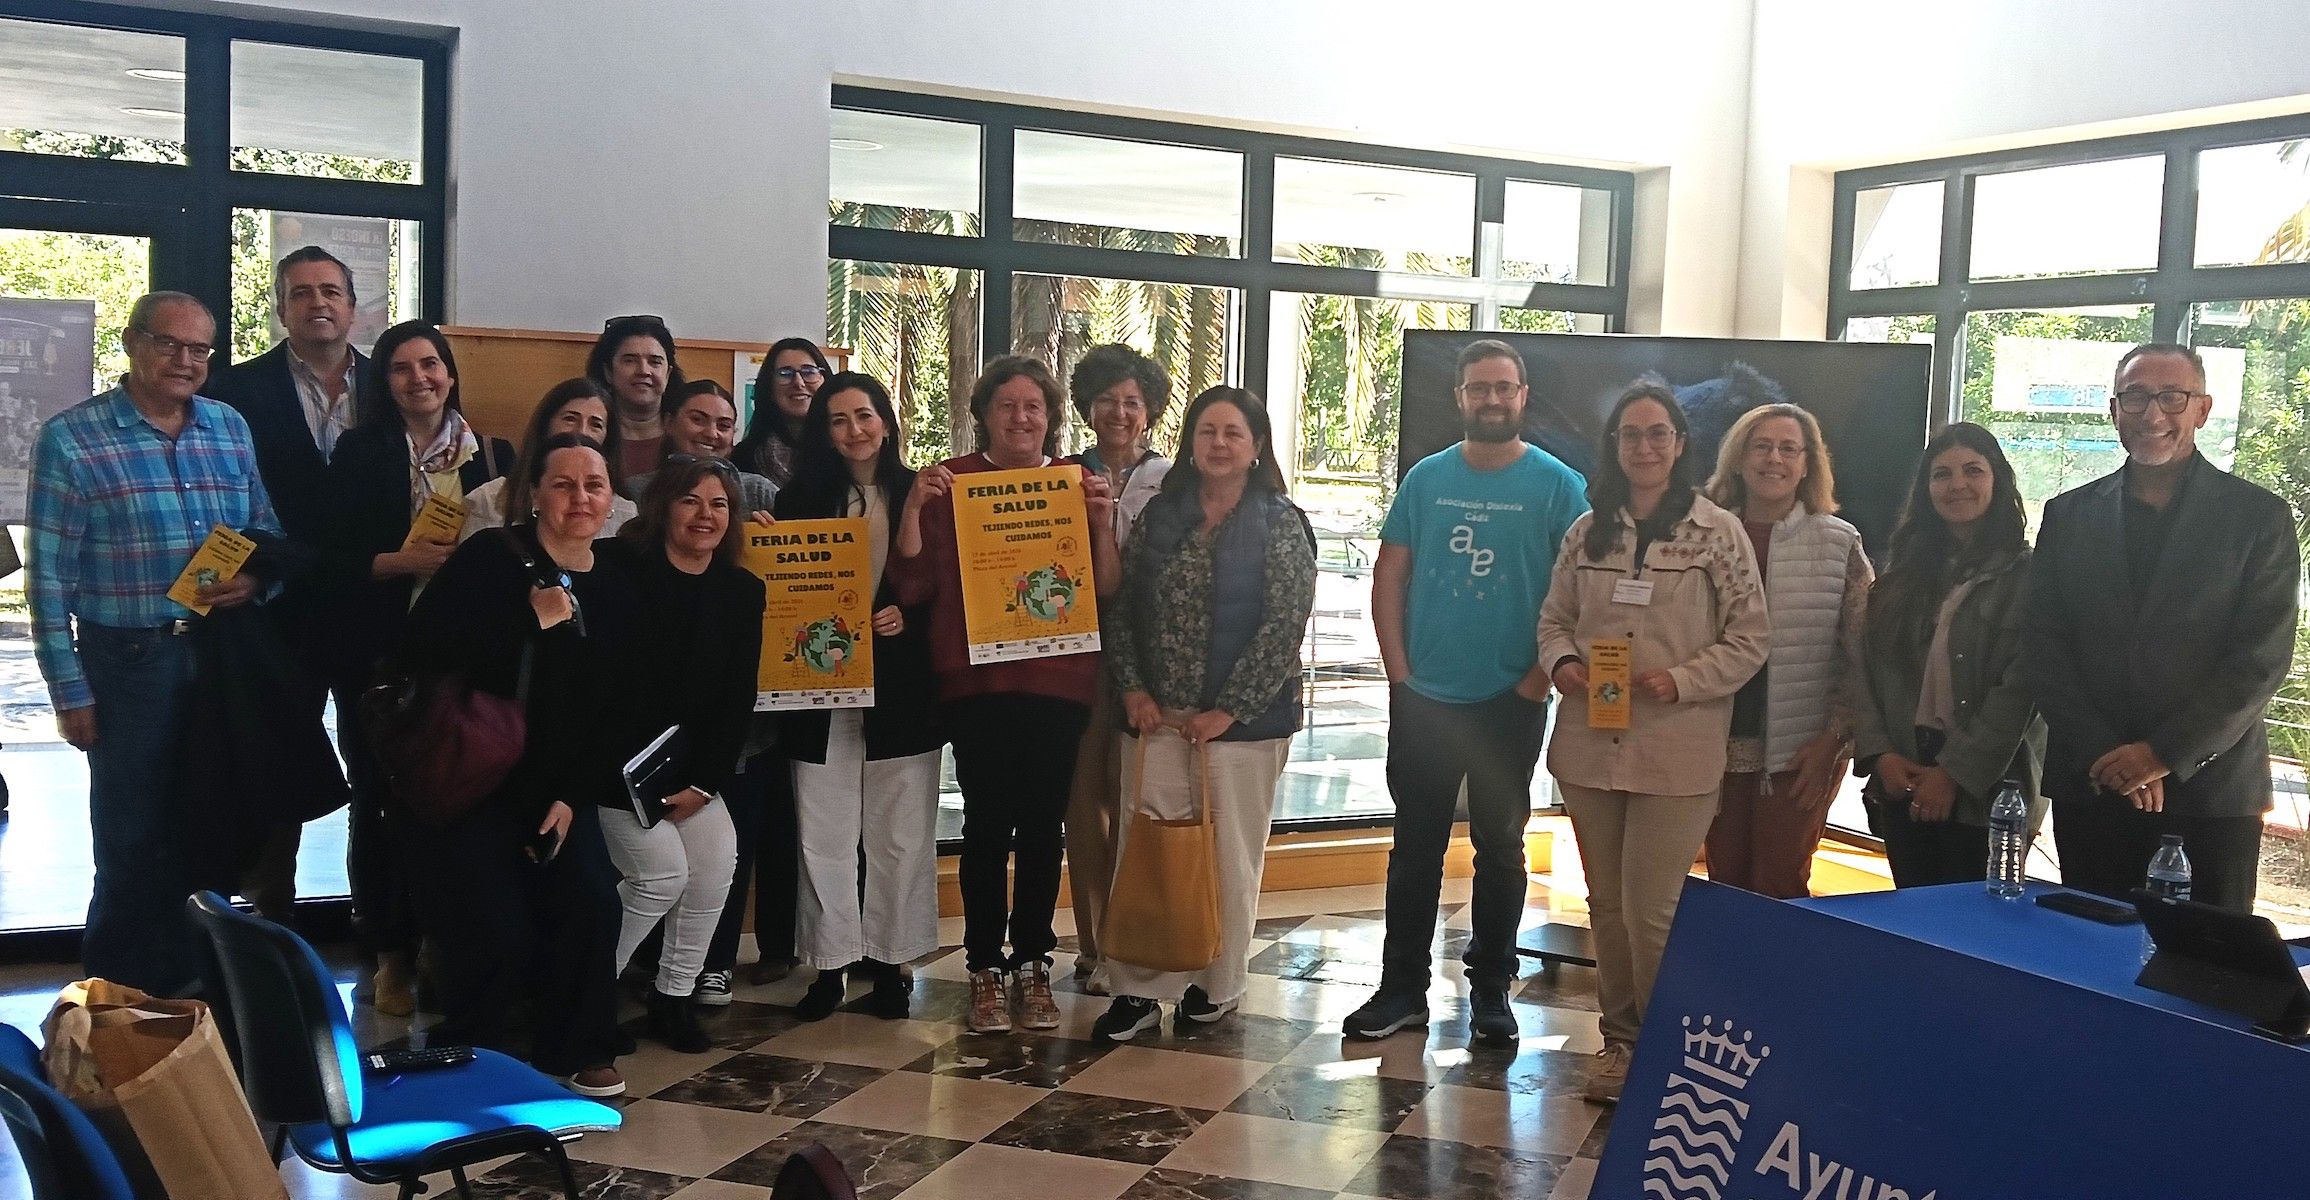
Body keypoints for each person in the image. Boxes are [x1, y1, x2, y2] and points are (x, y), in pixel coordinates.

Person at [28, 291, 280, 996]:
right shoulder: (72, 439)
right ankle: (116, 1009)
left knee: (212, 829)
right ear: (132, 343)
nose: (186, 361)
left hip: (221, 656)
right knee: (131, 842)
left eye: (200, 349)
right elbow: (47, 579)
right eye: (170, 344)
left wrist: (258, 582)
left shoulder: (228, 427)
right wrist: (69, 693)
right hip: (128, 664)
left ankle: (202, 998)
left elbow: (265, 529)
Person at [1342, 339, 1587, 1047]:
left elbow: (1579, 590)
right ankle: (1401, 990)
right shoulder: (1427, 479)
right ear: (1460, 398)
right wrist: (1398, 674)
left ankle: (1490, 991)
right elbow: (1390, 575)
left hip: (1510, 700)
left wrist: (1535, 682)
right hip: (1424, 697)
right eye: (1479, 388)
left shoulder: (1558, 485)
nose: (1492, 399)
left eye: (1504, 388)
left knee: (1500, 849)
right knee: (1414, 849)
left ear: (1523, 395)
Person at [1538, 379, 1768, 1104]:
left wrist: (1683, 680)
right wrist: (1563, 665)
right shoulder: (1586, 532)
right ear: (1614, 446)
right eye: (1630, 434)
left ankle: (1671, 1047)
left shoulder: (1717, 533)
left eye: (1657, 433)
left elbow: (1751, 638)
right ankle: (1621, 1044)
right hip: (1590, 748)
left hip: (1678, 750)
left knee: (1652, 912)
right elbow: (1553, 622)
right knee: (1606, 906)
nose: (1644, 446)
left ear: (1679, 443)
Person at [2024, 344, 2298, 913]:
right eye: (2136, 397)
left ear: (2202, 409)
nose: (2153, 414)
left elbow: (2260, 660)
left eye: (2172, 397)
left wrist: (2162, 754)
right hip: (2094, 782)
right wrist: (2107, 753)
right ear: (2114, 410)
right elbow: (2044, 648)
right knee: (2088, 950)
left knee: (2204, 960)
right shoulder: (2068, 515)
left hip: (2210, 793)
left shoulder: (2258, 518)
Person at [399, 433, 633, 1096]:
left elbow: (611, 707)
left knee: (591, 900)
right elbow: (422, 649)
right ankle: (478, 1052)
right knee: (492, 924)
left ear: (610, 497)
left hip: (557, 785)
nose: (580, 498)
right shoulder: (489, 558)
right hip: (474, 778)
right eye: (563, 484)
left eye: (593, 485)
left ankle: (579, 1045)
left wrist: (569, 795)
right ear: (534, 494)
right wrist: (527, 622)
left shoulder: (616, 583)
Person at [893, 355, 1119, 1035]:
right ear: (984, 415)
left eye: (1033, 407)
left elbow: (1106, 587)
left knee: (1044, 829)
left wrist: (1101, 521)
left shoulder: (1076, 483)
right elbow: (913, 585)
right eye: (1006, 406)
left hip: (1059, 682)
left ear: (1051, 417)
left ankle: (1033, 963)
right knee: (987, 828)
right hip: (978, 684)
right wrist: (913, 506)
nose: (1021, 418)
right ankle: (984, 967)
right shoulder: (951, 482)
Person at [1091, 386, 1315, 1043]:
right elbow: (1122, 608)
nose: (1219, 444)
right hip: (1156, 720)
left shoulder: (1280, 521)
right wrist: (1133, 690)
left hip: (1241, 730)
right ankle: (1136, 990)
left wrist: (1228, 712)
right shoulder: (1162, 514)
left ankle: (1216, 986)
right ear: (1190, 441)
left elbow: (1284, 627)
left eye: (1233, 433)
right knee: (1146, 852)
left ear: (1257, 446)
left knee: (1226, 856)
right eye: (1207, 431)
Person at [323, 320, 516, 1016]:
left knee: (457, 799)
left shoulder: (490, 453)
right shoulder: (360, 450)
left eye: (430, 364)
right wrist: (400, 563)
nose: (419, 379)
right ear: (385, 382)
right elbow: (329, 557)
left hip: (462, 659)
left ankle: (442, 939)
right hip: (380, 658)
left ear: (450, 372)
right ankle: (389, 952)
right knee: (379, 802)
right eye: (402, 368)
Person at [204, 245, 364, 923]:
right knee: (274, 762)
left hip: (371, 605)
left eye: (330, 291)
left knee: (379, 767)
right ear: (280, 308)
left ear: (353, 307)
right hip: (275, 606)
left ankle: (377, 921)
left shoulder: (393, 383)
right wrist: (251, 571)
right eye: (301, 292)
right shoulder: (235, 391)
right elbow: (223, 498)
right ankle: (269, 917)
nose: (317, 303)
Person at [777, 373, 944, 1022]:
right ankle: (830, 962)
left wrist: (909, 615)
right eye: (839, 419)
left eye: (865, 415)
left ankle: (892, 962)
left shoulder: (921, 491)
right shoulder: (798, 500)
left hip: (902, 688)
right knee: (823, 831)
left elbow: (950, 588)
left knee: (900, 833)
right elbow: (783, 592)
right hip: (819, 687)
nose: (854, 430)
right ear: (824, 432)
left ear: (887, 422)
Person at [595, 458, 762, 1051]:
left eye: (719, 504)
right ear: (663, 507)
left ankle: (674, 996)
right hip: (612, 767)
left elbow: (737, 699)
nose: (705, 515)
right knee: (661, 876)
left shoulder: (742, 591)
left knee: (716, 864)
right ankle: (584, 996)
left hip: (687, 772)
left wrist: (704, 784)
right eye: (690, 500)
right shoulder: (617, 569)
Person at [1853, 423, 2045, 888]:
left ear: (1998, 480)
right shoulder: (1898, 578)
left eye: (1973, 470)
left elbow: (2021, 689)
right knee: (1911, 917)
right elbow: (1863, 673)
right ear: (1925, 489)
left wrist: (1954, 774)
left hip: (1991, 790)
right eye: (1942, 474)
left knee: (1977, 921)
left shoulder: (2031, 577)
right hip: (1903, 774)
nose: (1957, 484)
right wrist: (1881, 755)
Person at [1698, 403, 1872, 899]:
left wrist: (1834, 740)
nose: (1774, 459)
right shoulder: (1701, 535)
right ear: (1738, 458)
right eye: (1762, 446)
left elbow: (1862, 655)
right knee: (1724, 882)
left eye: (1788, 448)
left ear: (1807, 463)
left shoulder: (1839, 541)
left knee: (1780, 884)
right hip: (1711, 743)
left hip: (1801, 750)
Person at [1064, 343, 1174, 993]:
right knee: (1084, 805)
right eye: (1106, 400)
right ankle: (1095, 944)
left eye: (1132, 401)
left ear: (1150, 410)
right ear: (1087, 407)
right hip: (1076, 656)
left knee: (1138, 798)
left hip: (1152, 660)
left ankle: (1140, 939)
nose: (1119, 412)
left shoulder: (1174, 481)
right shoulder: (1060, 476)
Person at [462, 377, 638, 540]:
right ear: (545, 425)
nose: (582, 431)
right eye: (570, 419)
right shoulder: (489, 499)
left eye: (595, 425)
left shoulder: (625, 513)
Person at [623, 379, 777, 514]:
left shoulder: (759, 492)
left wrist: (767, 530)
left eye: (723, 426)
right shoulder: (635, 490)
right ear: (669, 423)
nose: (711, 433)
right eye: (697, 420)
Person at [589, 315, 684, 480]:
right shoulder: (590, 433)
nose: (644, 371)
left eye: (655, 362)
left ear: (668, 374)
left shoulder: (686, 435)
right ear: (608, 372)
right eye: (629, 361)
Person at [734, 337, 832, 488]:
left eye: (809, 372)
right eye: (785, 373)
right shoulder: (744, 457)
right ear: (769, 387)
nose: (798, 383)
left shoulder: (844, 449)